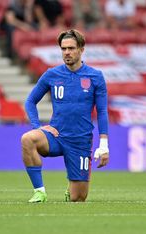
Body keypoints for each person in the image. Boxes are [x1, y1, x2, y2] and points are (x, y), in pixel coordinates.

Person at [21, 29, 109, 203]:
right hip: (56, 136)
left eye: (71, 48)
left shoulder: (95, 76)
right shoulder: (52, 74)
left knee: (78, 198)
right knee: (27, 139)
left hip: (80, 141)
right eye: (63, 49)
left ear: (81, 49)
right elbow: (30, 101)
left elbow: (102, 111)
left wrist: (104, 144)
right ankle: (39, 192)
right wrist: (37, 126)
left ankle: (72, 188)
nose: (66, 52)